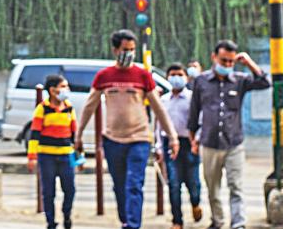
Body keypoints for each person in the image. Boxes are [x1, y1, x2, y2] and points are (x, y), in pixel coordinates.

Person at [76, 29, 179, 229]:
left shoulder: (143, 76)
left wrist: (172, 137)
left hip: (139, 139)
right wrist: (78, 136)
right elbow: (90, 106)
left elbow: (158, 108)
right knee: (120, 186)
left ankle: (133, 224)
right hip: (112, 140)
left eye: (132, 49)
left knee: (134, 184)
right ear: (115, 50)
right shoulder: (104, 76)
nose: (129, 53)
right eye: (125, 49)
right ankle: (126, 219)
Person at [188, 40, 270, 229]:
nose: (227, 65)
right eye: (223, 61)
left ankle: (238, 224)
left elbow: (265, 82)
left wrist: (249, 62)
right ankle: (217, 221)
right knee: (213, 188)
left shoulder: (240, 80)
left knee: (236, 187)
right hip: (209, 143)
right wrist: (193, 139)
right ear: (214, 57)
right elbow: (194, 112)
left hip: (234, 143)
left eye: (231, 62)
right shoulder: (201, 81)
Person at [28, 75, 77, 229]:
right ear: (52, 90)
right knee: (48, 192)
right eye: (63, 86)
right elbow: (34, 134)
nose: (66, 90)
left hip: (66, 155)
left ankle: (67, 215)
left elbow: (74, 135)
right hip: (46, 156)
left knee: (70, 189)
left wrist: (78, 156)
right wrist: (32, 156)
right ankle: (51, 222)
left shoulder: (69, 108)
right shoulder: (42, 109)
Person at [157, 63, 202, 229]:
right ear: (168, 77)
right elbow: (159, 125)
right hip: (169, 143)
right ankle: (177, 220)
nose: (176, 78)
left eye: (180, 74)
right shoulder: (163, 100)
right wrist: (159, 147)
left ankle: (196, 204)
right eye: (173, 74)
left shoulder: (192, 99)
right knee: (173, 184)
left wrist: (196, 140)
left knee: (193, 183)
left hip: (188, 143)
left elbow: (199, 121)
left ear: (186, 77)